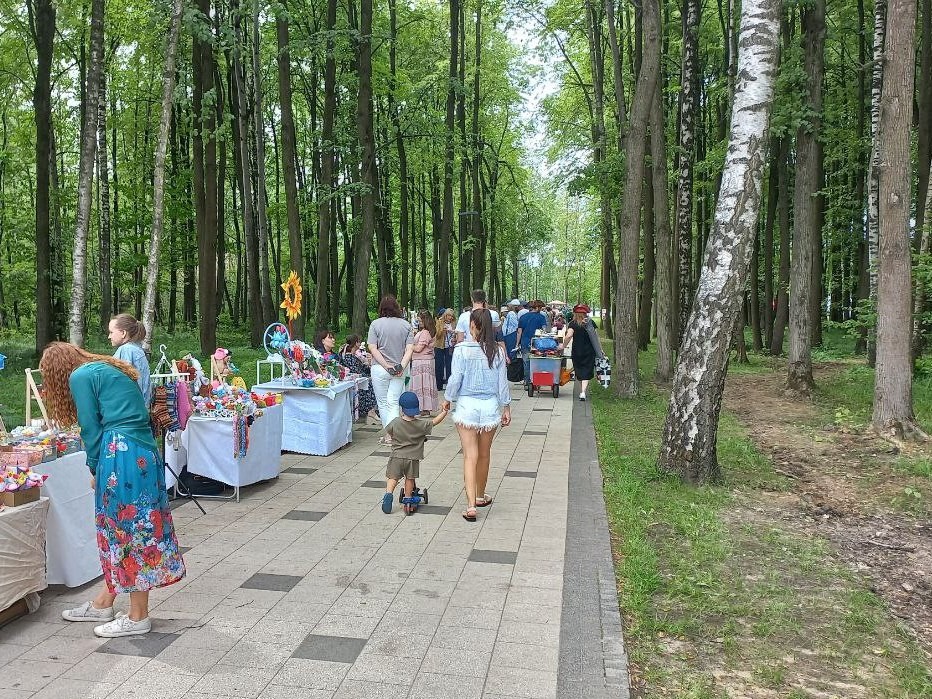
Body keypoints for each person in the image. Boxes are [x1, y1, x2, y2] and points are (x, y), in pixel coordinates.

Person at [41, 342, 185, 638]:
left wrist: (94, 467)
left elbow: (90, 427)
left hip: (120, 453)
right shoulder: (105, 368)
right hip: (141, 450)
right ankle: (105, 602)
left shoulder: (81, 377)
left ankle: (137, 616)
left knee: (128, 530)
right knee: (129, 527)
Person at [441, 309, 511, 522]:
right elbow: (502, 383)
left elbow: (455, 378)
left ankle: (471, 505)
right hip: (490, 406)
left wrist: (447, 398)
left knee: (469, 455)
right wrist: (506, 407)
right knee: (484, 454)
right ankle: (480, 495)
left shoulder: (461, 350)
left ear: (472, 326)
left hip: (467, 406)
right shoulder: (497, 352)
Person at [381, 391, 449, 514]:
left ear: (402, 408)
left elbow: (389, 433)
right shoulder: (420, 424)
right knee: (409, 478)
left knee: (393, 477)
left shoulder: (395, 422)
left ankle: (388, 493)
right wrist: (444, 412)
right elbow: (434, 422)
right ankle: (408, 498)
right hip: (412, 458)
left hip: (396, 456)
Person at [367, 295, 415, 445]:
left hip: (379, 369)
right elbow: (410, 349)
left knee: (382, 402)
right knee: (393, 402)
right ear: (397, 308)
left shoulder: (375, 324)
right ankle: (394, 436)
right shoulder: (406, 325)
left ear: (381, 308)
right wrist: (401, 365)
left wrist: (385, 365)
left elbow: (372, 348)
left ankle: (389, 435)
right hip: (399, 370)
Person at [558, 304, 606, 401]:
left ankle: (582, 391)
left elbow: (568, 336)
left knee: (579, 371)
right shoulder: (590, 323)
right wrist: (600, 350)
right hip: (589, 351)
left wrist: (563, 345)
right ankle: (583, 392)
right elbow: (596, 338)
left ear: (575, 313)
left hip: (577, 351)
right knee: (586, 371)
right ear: (585, 313)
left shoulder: (573, 323)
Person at [108, 314, 151, 404]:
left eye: (111, 332)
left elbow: (123, 384)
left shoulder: (127, 350)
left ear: (123, 333)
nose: (109, 336)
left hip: (129, 410)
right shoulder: (136, 349)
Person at [338, 335, 379, 423]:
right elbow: (355, 371)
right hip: (354, 382)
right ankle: (370, 412)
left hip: (360, 379)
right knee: (370, 384)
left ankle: (372, 412)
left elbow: (363, 369)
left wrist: (369, 363)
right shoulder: (349, 357)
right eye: (359, 342)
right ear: (356, 343)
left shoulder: (354, 356)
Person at [514, 300, 549, 389]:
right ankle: (536, 382)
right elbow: (544, 331)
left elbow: (519, 331)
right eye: (540, 308)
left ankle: (527, 383)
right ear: (536, 308)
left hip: (525, 343)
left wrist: (517, 344)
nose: (541, 309)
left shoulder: (523, 317)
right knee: (537, 363)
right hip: (538, 344)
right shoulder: (541, 317)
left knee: (526, 363)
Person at [411, 310, 439, 416]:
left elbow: (418, 348)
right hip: (422, 360)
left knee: (422, 385)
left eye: (421, 320)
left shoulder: (425, 333)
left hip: (423, 361)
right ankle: (423, 407)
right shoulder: (425, 331)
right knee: (422, 385)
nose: (419, 322)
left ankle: (425, 407)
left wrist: (409, 347)